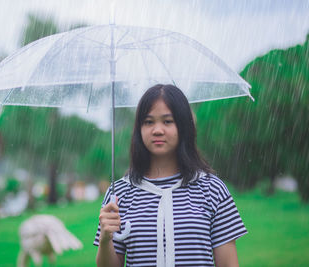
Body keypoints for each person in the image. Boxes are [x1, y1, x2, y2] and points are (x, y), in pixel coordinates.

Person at [94, 84, 247, 267]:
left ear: (183, 126)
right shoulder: (118, 194)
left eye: (167, 121)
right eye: (148, 122)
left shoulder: (212, 189)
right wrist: (105, 240)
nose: (157, 130)